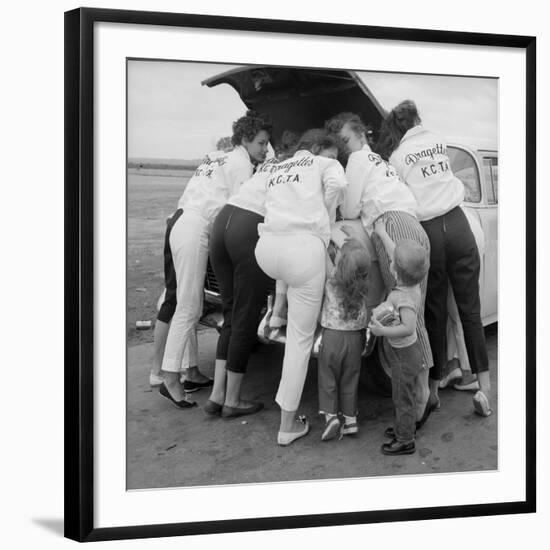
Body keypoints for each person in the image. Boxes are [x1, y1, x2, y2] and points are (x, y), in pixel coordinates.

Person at [378, 100, 491, 417]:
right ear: (418, 119)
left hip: (429, 231)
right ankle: (485, 389)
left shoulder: (397, 157)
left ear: (397, 128)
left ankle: (436, 385)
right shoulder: (439, 141)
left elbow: (402, 195)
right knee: (470, 309)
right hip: (458, 224)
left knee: (435, 311)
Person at [325, 112, 434, 426]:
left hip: (392, 226)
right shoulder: (378, 160)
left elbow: (349, 209)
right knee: (414, 315)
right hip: (412, 225)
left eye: (345, 139)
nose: (344, 147)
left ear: (360, 133)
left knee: (410, 317)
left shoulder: (358, 160)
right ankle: (422, 397)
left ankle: (421, 399)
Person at [158, 110, 272, 408]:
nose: (263, 149)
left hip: (179, 220)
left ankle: (187, 369)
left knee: (184, 300)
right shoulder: (240, 164)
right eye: (261, 143)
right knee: (189, 306)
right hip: (197, 226)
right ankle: (170, 377)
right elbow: (239, 206)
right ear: (245, 139)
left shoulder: (216, 156)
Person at [254, 129, 348, 446]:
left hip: (267, 249)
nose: (335, 161)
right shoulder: (323, 164)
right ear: (319, 148)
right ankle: (288, 425)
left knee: (289, 285)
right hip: (304, 250)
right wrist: (323, 211)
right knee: (300, 341)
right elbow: (339, 184)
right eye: (332, 154)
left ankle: (275, 312)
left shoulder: (278, 165)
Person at [204, 158, 277, 418]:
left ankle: (217, 396)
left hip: (223, 220)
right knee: (246, 316)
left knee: (232, 313)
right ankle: (233, 400)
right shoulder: (304, 168)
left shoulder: (268, 164)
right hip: (248, 227)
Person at [368, 220, 430, 455]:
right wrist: (383, 233)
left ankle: (405, 439)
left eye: (392, 262)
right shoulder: (412, 282)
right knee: (403, 393)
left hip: (405, 354)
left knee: (402, 396)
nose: (390, 261)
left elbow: (407, 327)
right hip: (403, 353)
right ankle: (405, 427)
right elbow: (399, 255)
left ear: (395, 271)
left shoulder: (404, 298)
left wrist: (382, 332)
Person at [317, 239, 370, 441]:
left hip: (332, 337)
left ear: (341, 262)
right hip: (355, 339)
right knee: (350, 380)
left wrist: (325, 240)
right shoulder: (364, 285)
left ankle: (331, 418)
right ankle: (350, 421)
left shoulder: (332, 279)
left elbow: (324, 255)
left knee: (327, 378)